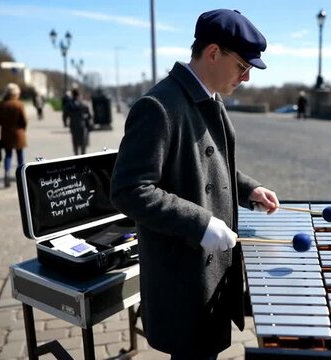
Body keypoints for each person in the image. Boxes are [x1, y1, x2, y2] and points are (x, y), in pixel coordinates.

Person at [110, 9, 279, 360]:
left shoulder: (209, 97)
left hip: (210, 268)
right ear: (214, 53)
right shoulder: (158, 106)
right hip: (183, 278)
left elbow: (211, 167)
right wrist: (200, 223)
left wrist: (247, 189)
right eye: (242, 67)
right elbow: (130, 189)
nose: (246, 78)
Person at [0, 83, 28, 188]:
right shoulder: (19, 104)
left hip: (6, 133)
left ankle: (7, 173)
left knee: (8, 155)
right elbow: (24, 120)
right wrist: (23, 128)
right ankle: (22, 176)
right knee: (20, 155)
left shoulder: (0, 105)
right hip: (18, 133)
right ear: (15, 94)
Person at [65, 88, 93, 155]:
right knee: (83, 144)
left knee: (75, 144)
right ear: (78, 95)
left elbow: (65, 115)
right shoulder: (83, 105)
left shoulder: (69, 105)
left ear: (72, 95)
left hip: (73, 126)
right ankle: (82, 159)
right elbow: (89, 116)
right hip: (82, 127)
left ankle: (76, 157)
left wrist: (65, 123)